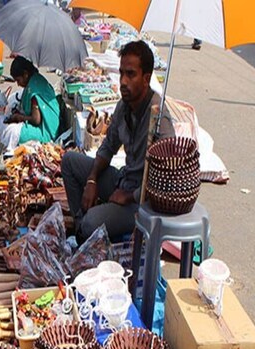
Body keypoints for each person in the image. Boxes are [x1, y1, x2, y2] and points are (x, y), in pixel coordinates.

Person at [61, 40, 174, 242]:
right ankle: (84, 233)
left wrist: (129, 196)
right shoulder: (124, 105)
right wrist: (92, 179)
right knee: (70, 161)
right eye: (121, 73)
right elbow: (107, 148)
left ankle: (87, 229)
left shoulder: (158, 118)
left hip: (141, 201)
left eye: (130, 74)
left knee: (90, 224)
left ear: (146, 78)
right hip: (123, 180)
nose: (123, 81)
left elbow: (168, 179)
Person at [0, 56, 60, 152]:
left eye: (18, 80)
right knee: (2, 122)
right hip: (46, 126)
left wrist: (19, 117)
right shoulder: (35, 79)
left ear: (26, 74)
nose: (18, 84)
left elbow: (36, 120)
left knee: (12, 132)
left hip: (47, 132)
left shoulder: (34, 89)